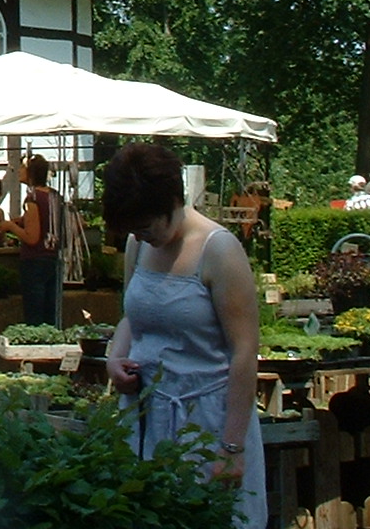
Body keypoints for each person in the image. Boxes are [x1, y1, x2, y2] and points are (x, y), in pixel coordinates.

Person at [104, 143, 263, 529]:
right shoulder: (136, 247)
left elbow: (245, 351)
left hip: (208, 422)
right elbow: (135, 315)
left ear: (173, 201)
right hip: (147, 419)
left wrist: (231, 448)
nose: (140, 238)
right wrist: (115, 357)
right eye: (133, 230)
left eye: (146, 227)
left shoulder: (219, 249)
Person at [2, 155, 61, 326]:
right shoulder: (54, 196)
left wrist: (11, 227)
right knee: (50, 314)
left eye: (22, 168)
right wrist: (22, 220)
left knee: (34, 315)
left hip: (35, 261)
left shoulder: (32, 199)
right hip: (53, 258)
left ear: (30, 173)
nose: (19, 171)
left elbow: (32, 237)